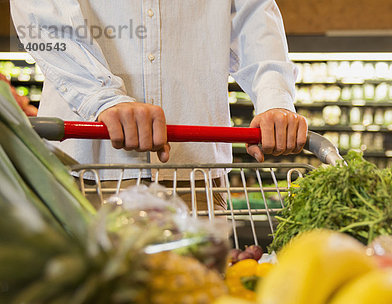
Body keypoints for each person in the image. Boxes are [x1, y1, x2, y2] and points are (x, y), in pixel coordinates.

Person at [10, 1, 307, 204]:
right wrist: (103, 97)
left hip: (196, 173)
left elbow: (255, 14)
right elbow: (40, 13)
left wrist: (275, 98)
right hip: (85, 168)